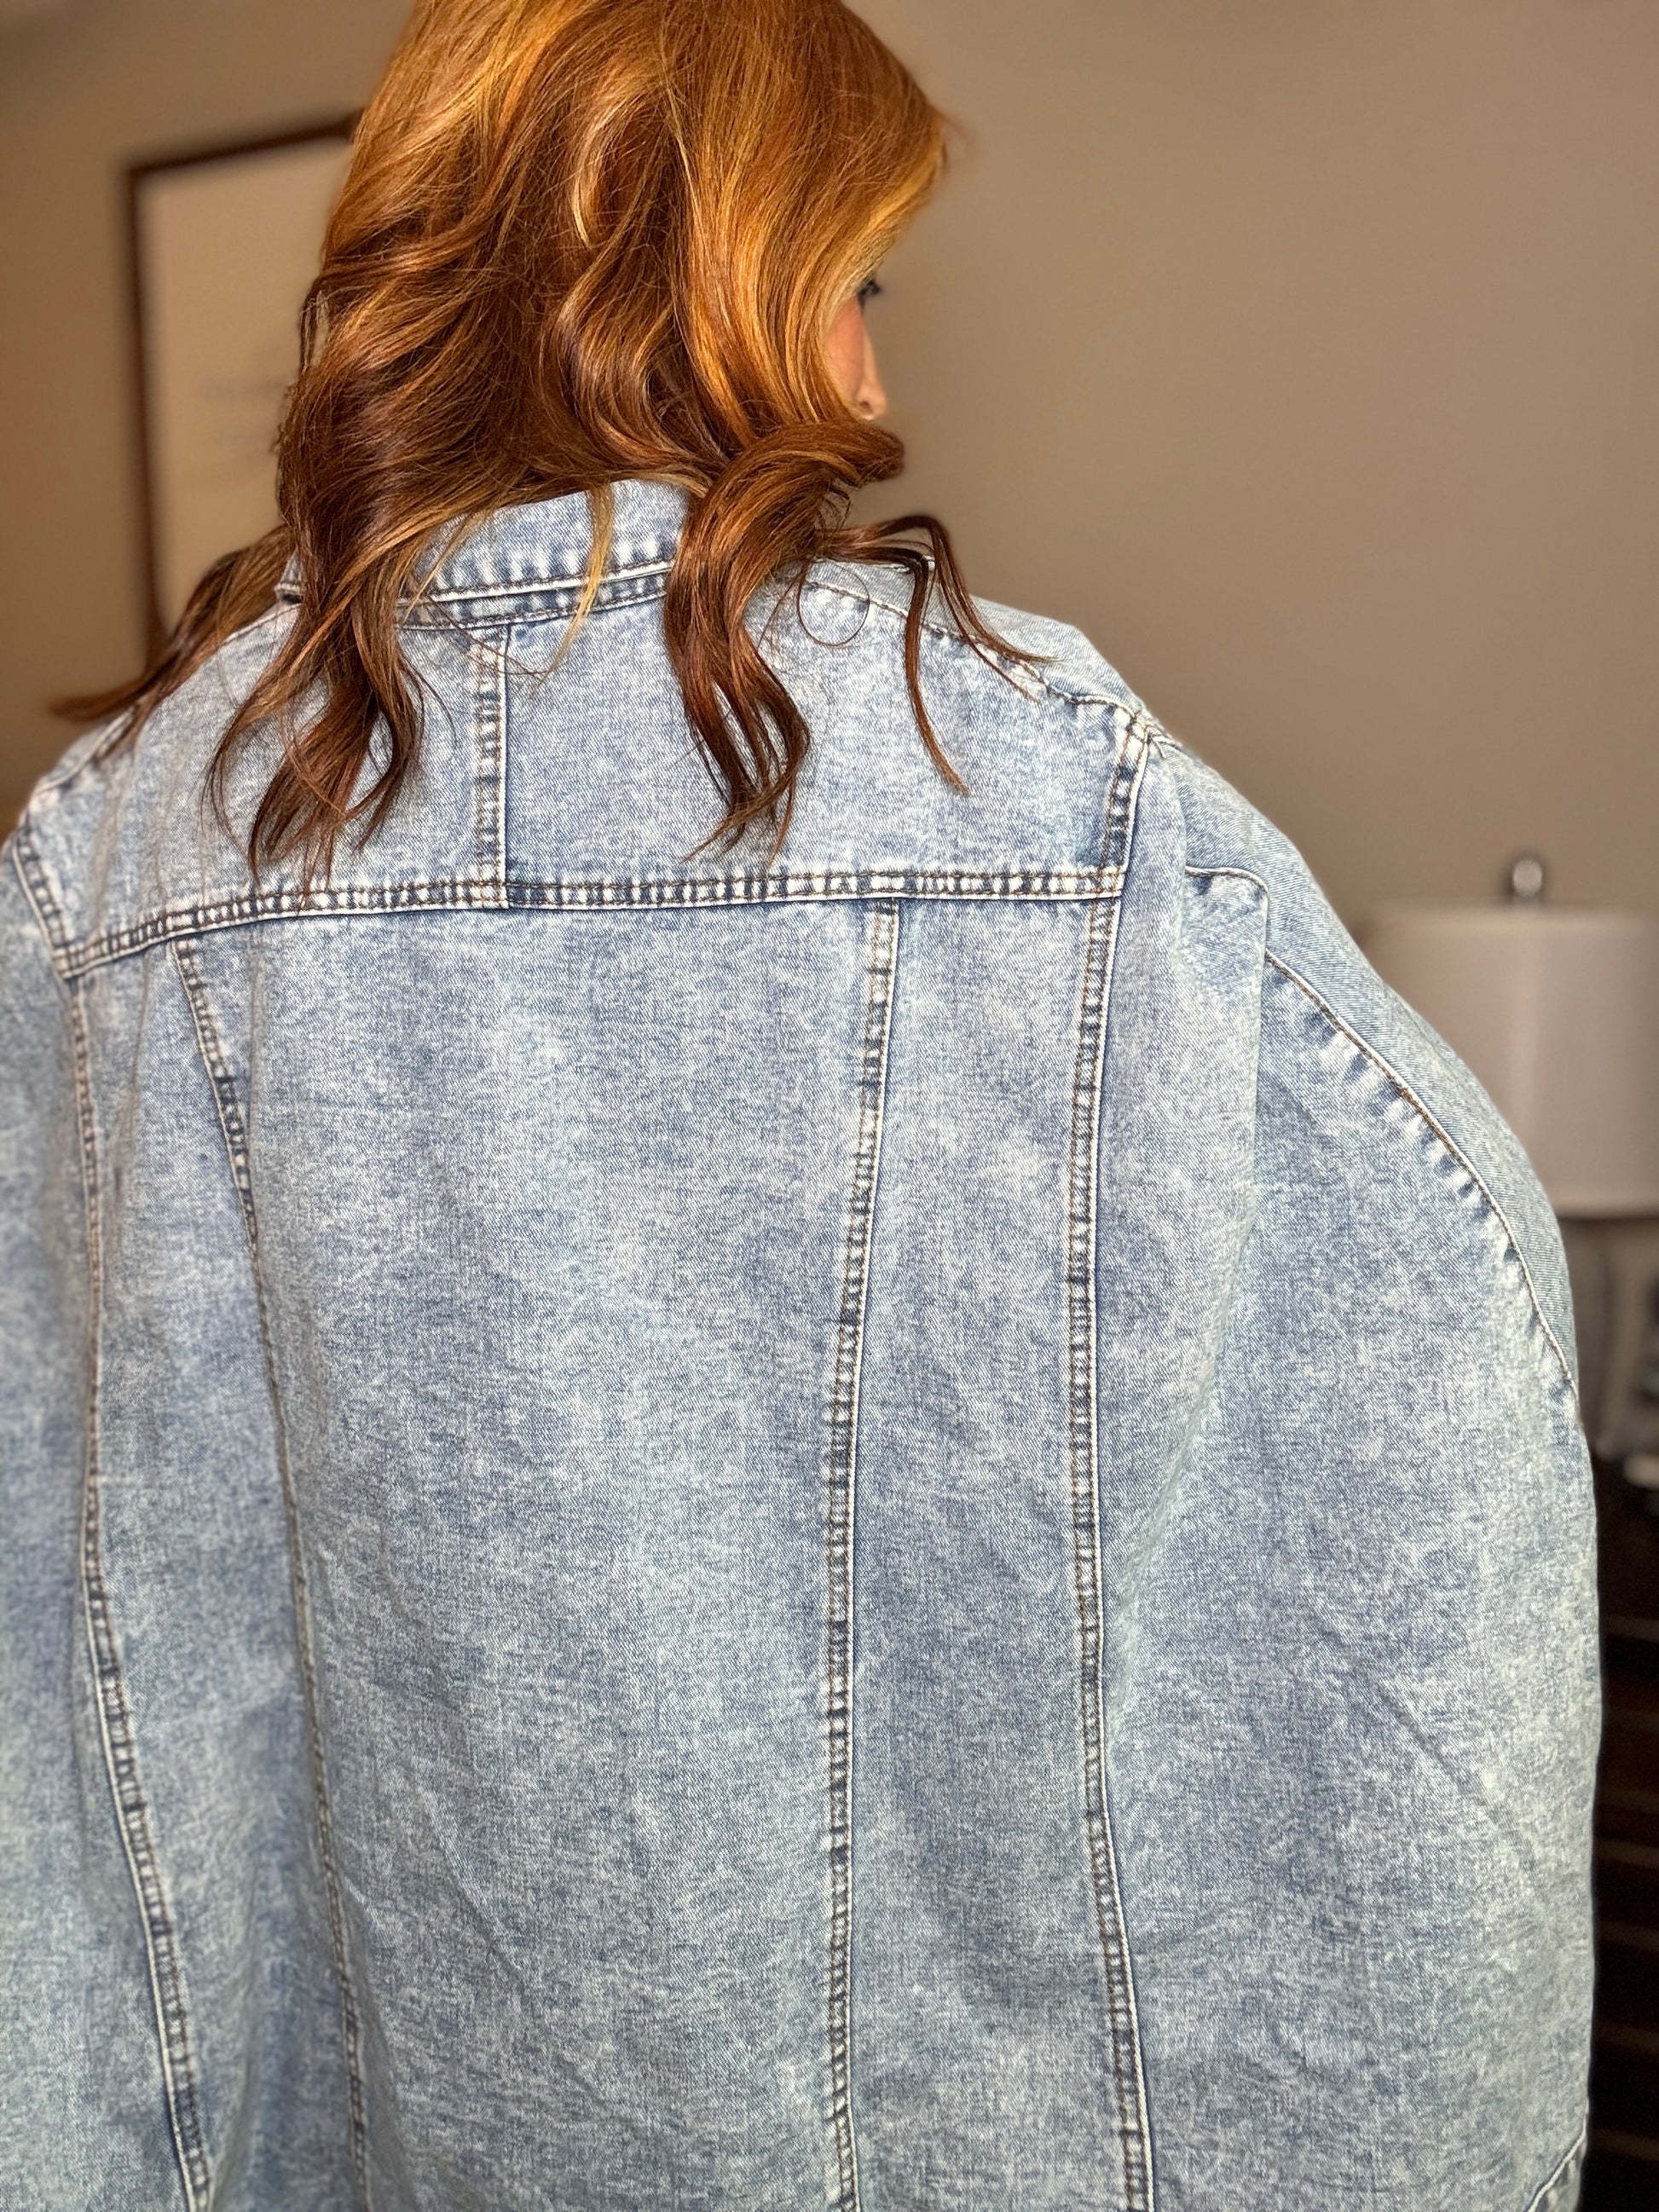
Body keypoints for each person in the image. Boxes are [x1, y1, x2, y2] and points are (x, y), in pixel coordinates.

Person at [0, 2, 1596, 2207]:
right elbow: (1439, 1355)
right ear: (745, 289)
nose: (868, 361)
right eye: (858, 282)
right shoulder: (1044, 792)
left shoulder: (112, 852)